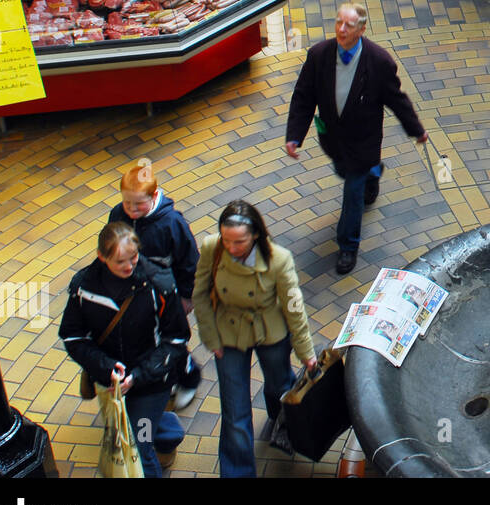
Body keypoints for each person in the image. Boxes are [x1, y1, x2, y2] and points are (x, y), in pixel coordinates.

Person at [285, 3, 430, 274]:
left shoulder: (379, 61)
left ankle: (348, 246)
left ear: (362, 29)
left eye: (348, 25)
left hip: (364, 140)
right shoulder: (318, 55)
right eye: (338, 22)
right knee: (345, 171)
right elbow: (304, 96)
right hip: (333, 138)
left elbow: (396, 100)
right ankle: (374, 174)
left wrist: (416, 129)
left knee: (352, 192)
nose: (341, 29)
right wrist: (294, 135)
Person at [193, 201, 317, 478]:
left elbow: (293, 307)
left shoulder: (279, 258)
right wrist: (210, 337)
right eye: (227, 240)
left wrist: (306, 352)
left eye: (239, 241)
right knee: (235, 412)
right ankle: (237, 472)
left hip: (269, 329)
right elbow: (200, 294)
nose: (232, 248)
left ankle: (281, 420)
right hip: (228, 332)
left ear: (256, 235)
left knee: (279, 386)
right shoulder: (211, 248)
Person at [60, 223, 190, 477]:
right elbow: (73, 336)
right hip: (111, 383)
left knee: (139, 445)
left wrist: (138, 376)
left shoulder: (158, 284)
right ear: (102, 257)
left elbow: (176, 339)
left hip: (152, 383)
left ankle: (159, 430)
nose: (130, 266)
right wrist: (105, 366)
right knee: (137, 427)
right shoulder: (83, 287)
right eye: (121, 261)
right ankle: (167, 431)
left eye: (134, 257)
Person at [107, 158, 203, 410]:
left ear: (155, 195)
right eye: (127, 202)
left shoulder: (172, 224)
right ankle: (165, 376)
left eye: (139, 204)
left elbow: (189, 263)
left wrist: (186, 297)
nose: (131, 209)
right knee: (148, 341)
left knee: (171, 340)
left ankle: (188, 377)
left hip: (166, 298)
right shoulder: (117, 215)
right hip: (133, 296)